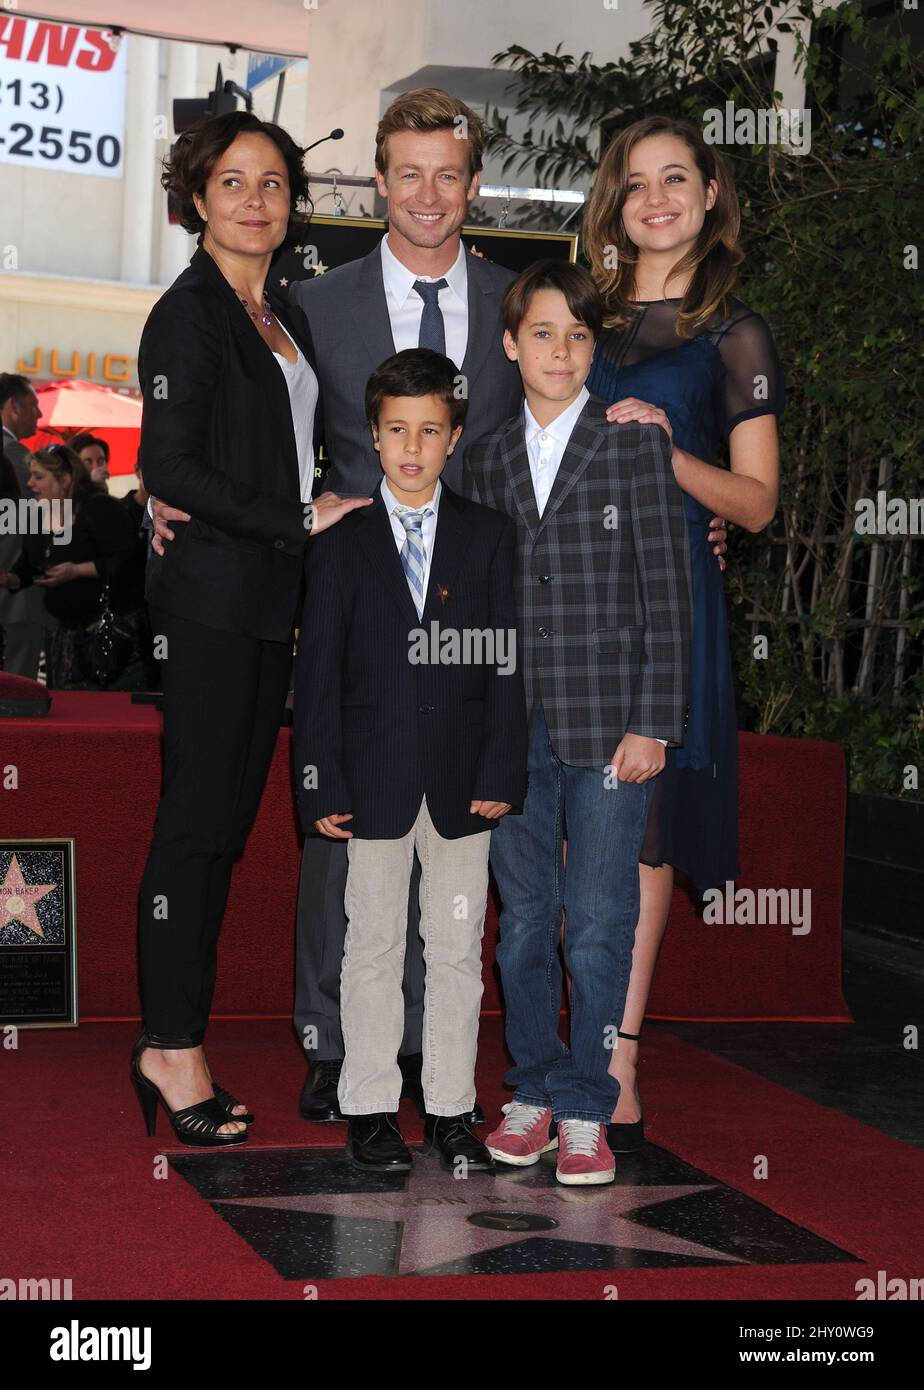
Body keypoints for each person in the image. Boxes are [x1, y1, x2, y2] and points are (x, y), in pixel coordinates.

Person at [131, 110, 370, 1150]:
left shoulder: (281, 316)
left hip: (272, 601)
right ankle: (169, 1048)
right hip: (213, 604)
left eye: (273, 183)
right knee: (196, 825)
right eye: (233, 181)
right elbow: (169, 468)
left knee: (223, 827)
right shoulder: (188, 316)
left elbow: (281, 451)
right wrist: (297, 517)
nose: (256, 200)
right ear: (196, 197)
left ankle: (174, 1038)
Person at [464, 259, 692, 1186]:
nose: (562, 351)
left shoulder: (634, 445)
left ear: (597, 351)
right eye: (544, 334)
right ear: (512, 344)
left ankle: (590, 1106)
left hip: (613, 730)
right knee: (522, 924)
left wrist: (656, 722)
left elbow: (667, 596)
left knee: (598, 922)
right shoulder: (478, 456)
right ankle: (532, 1092)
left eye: (580, 336)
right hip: (509, 732)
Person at [582, 116, 782, 1151]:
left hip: (668, 602)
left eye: (676, 178)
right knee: (564, 821)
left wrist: (669, 455)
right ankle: (550, 1045)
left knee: (644, 833)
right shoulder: (578, 318)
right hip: (565, 598)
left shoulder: (733, 333)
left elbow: (754, 503)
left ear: (710, 194)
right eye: (634, 182)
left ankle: (617, 1058)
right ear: (614, 204)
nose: (655, 198)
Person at [295, 347, 527, 1173]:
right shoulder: (340, 545)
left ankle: (454, 1108)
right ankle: (367, 1105)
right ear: (373, 435)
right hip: (372, 779)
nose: (412, 447)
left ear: (455, 436)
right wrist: (318, 776)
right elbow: (316, 674)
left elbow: (507, 662)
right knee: (372, 946)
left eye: (430, 430)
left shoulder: (489, 537)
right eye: (397, 430)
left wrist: (504, 769)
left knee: (458, 949)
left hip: (467, 784)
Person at [0, 444, 138, 688]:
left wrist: (77, 571)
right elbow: (30, 564)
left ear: (64, 480)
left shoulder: (100, 508)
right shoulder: (40, 516)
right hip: (65, 638)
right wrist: (11, 579)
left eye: (39, 476)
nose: (30, 483)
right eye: (31, 475)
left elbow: (129, 562)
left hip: (108, 636)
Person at [0, 374, 47, 677]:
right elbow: (47, 517)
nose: (39, 414)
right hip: (13, 598)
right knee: (16, 692)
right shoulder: (15, 455)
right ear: (12, 406)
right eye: (33, 405)